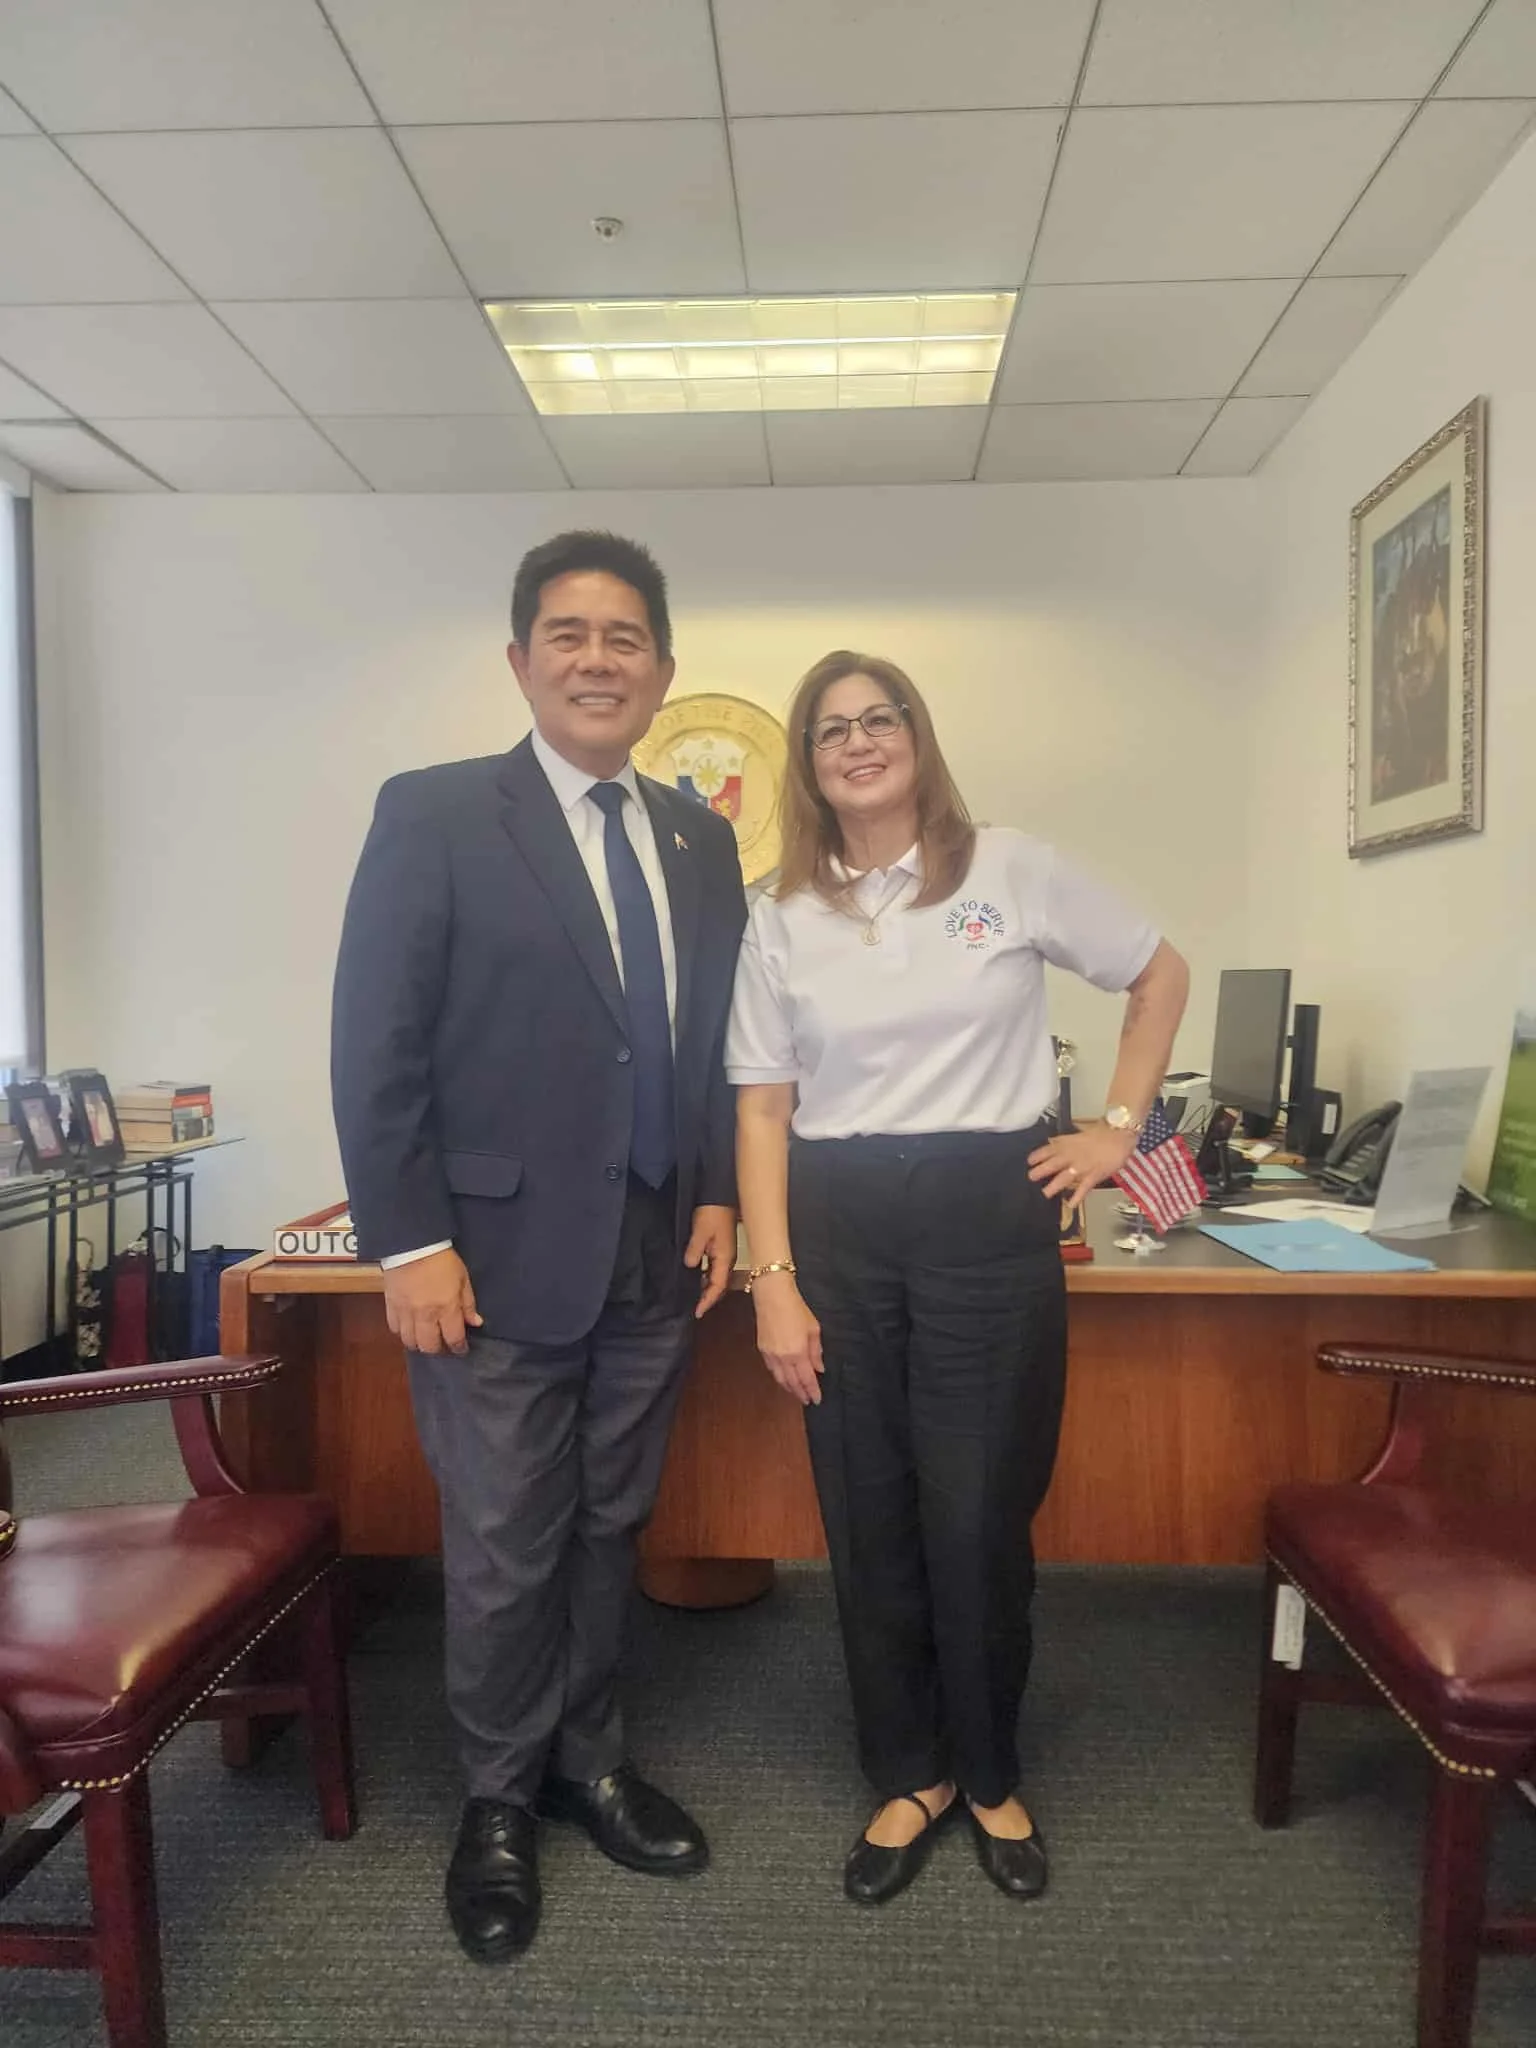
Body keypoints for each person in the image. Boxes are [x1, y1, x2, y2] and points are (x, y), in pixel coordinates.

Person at [332, 531, 747, 1964]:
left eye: (624, 637)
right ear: (521, 662)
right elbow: (374, 1045)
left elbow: (699, 1039)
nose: (595, 658)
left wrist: (713, 1191)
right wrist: (408, 1242)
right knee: (507, 1543)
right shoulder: (439, 814)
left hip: (652, 1248)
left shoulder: (698, 838)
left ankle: (590, 1761)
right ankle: (498, 1801)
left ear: (663, 672)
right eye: (566, 634)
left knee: (608, 1525)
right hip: (490, 1259)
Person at [727, 650, 1188, 1907]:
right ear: (809, 764)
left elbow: (1159, 971)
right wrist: (775, 1277)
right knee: (865, 1510)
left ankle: (989, 1769)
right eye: (833, 729)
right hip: (838, 1221)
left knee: (980, 1507)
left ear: (918, 738)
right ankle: (909, 1769)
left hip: (990, 1216)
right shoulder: (781, 914)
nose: (860, 741)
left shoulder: (1010, 865)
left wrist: (1120, 1127)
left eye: (882, 719)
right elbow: (762, 1111)